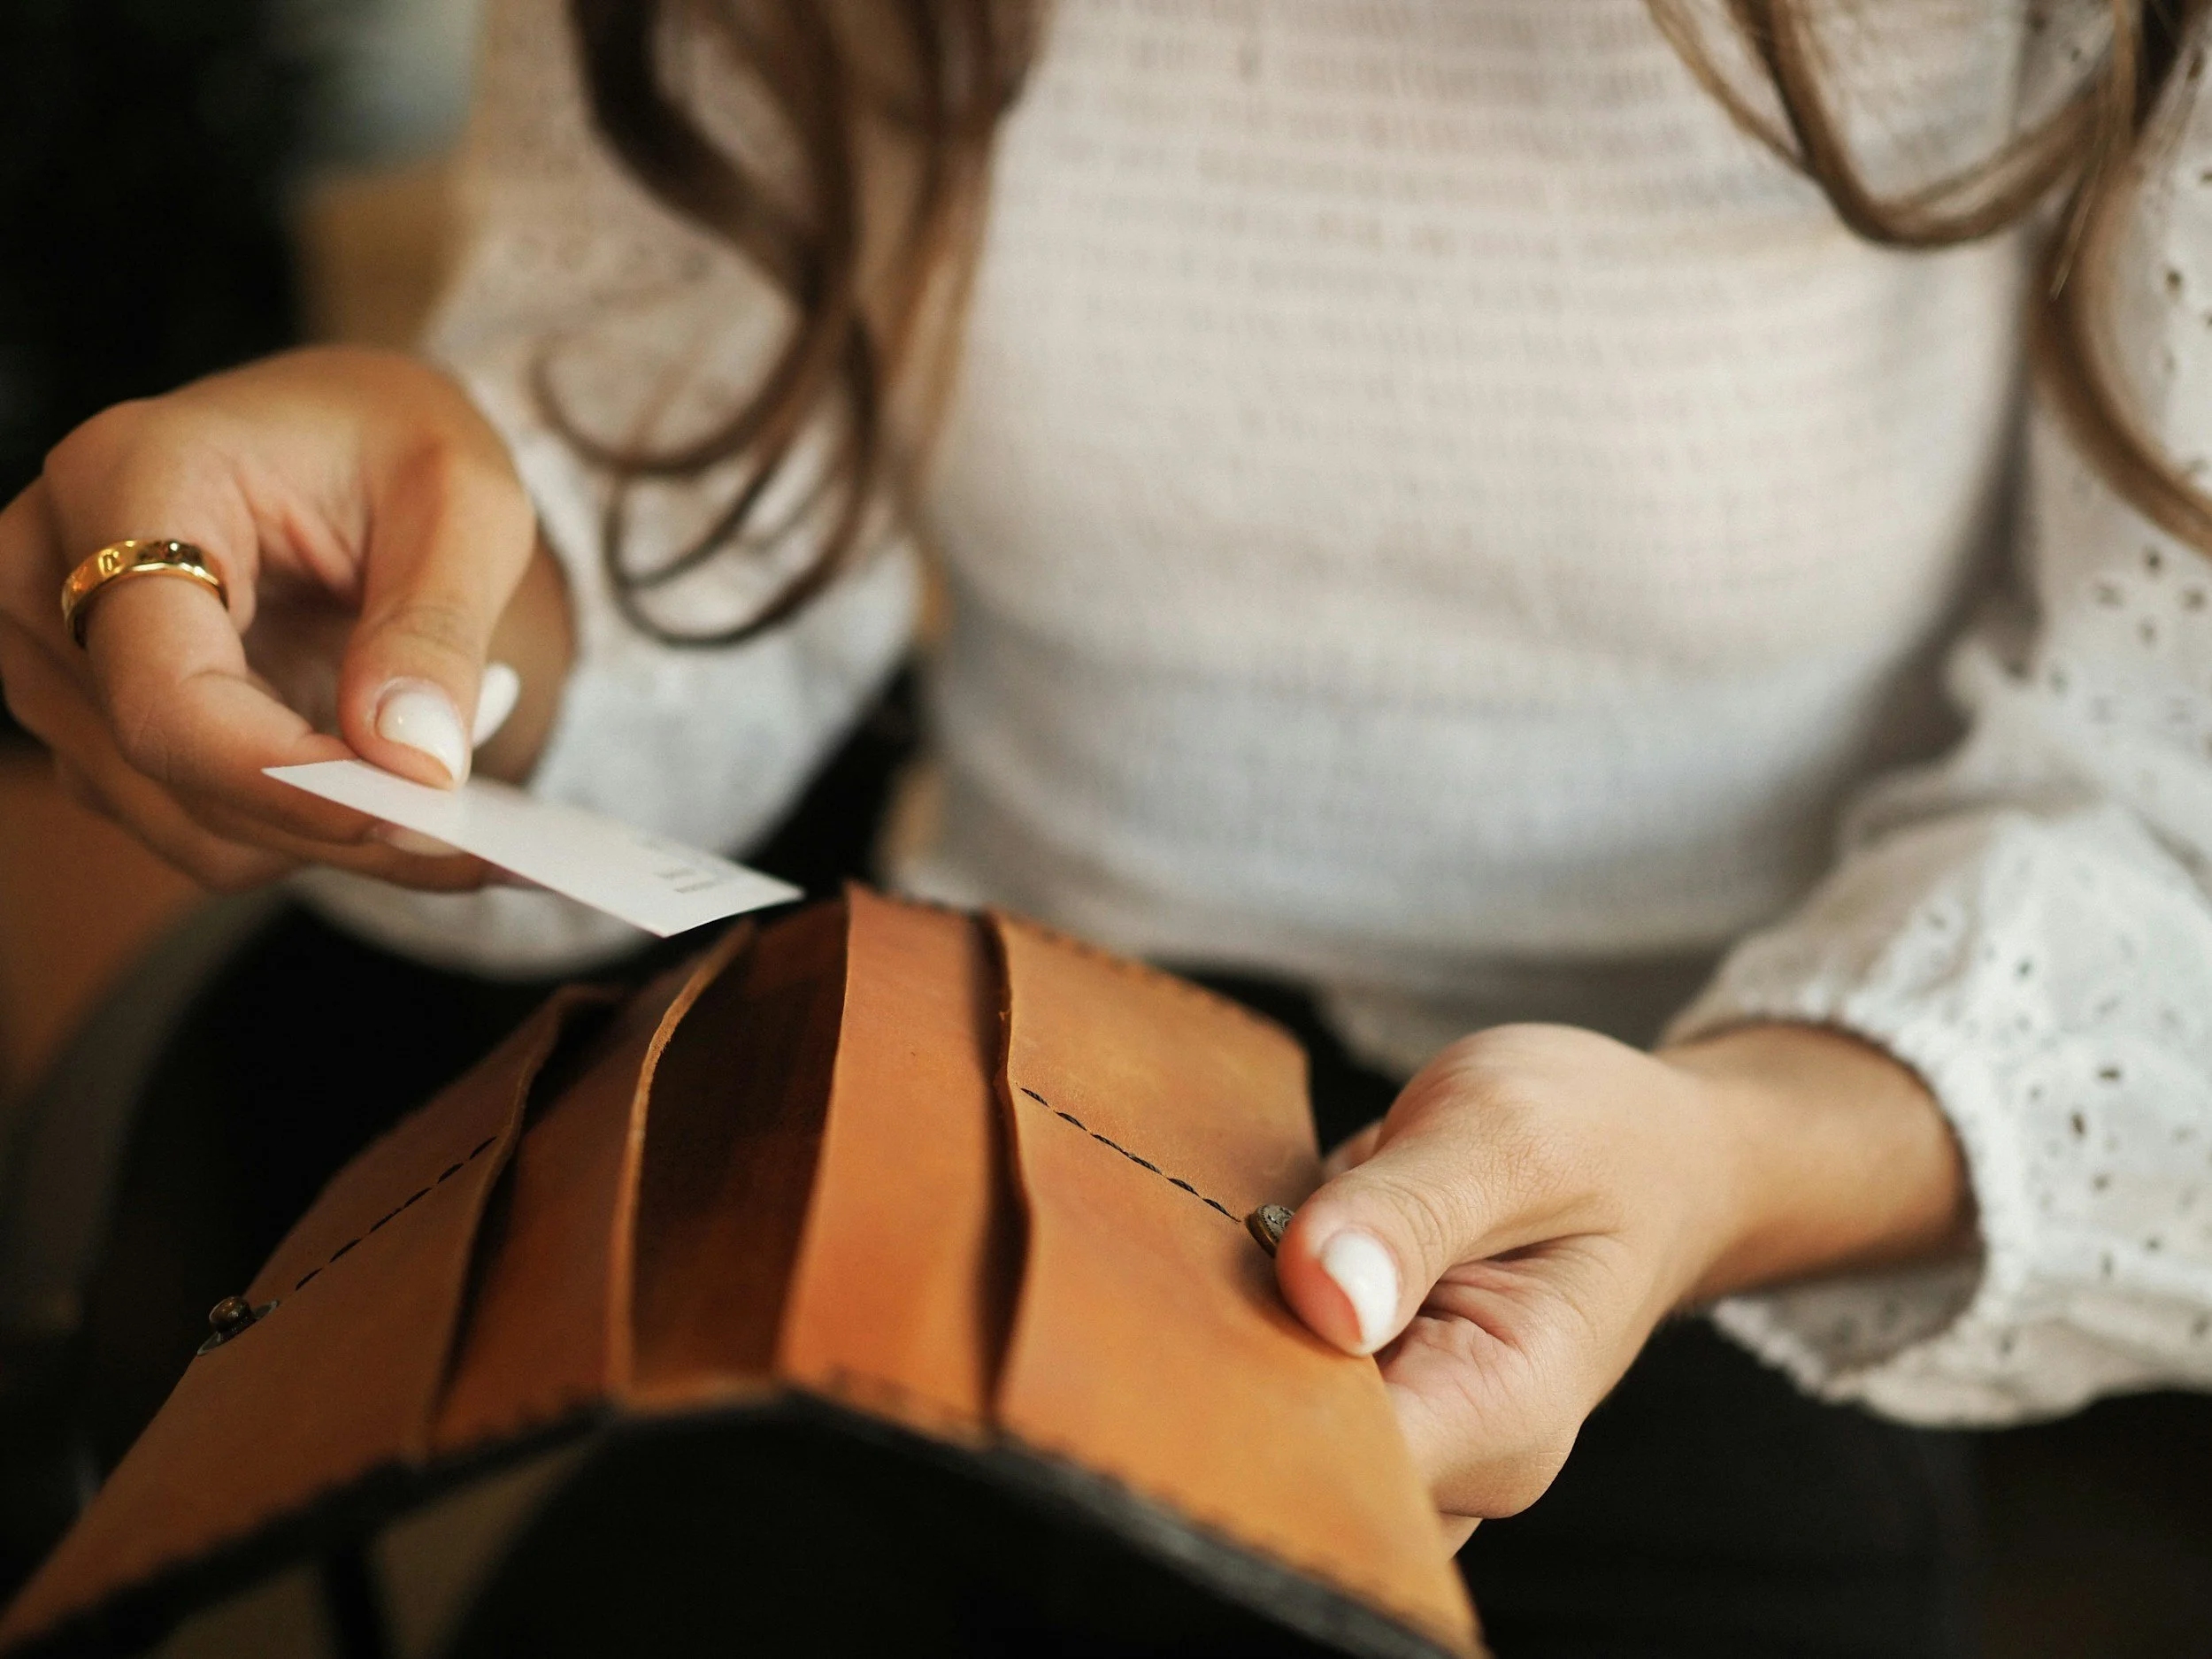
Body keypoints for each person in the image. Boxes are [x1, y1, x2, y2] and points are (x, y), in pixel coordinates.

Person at [5, 1, 2212, 1651]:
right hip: (942, 1201)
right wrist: (426, 612)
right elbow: (684, 489)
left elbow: (2164, 817)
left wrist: (1719, 1163)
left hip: (1711, 1263)